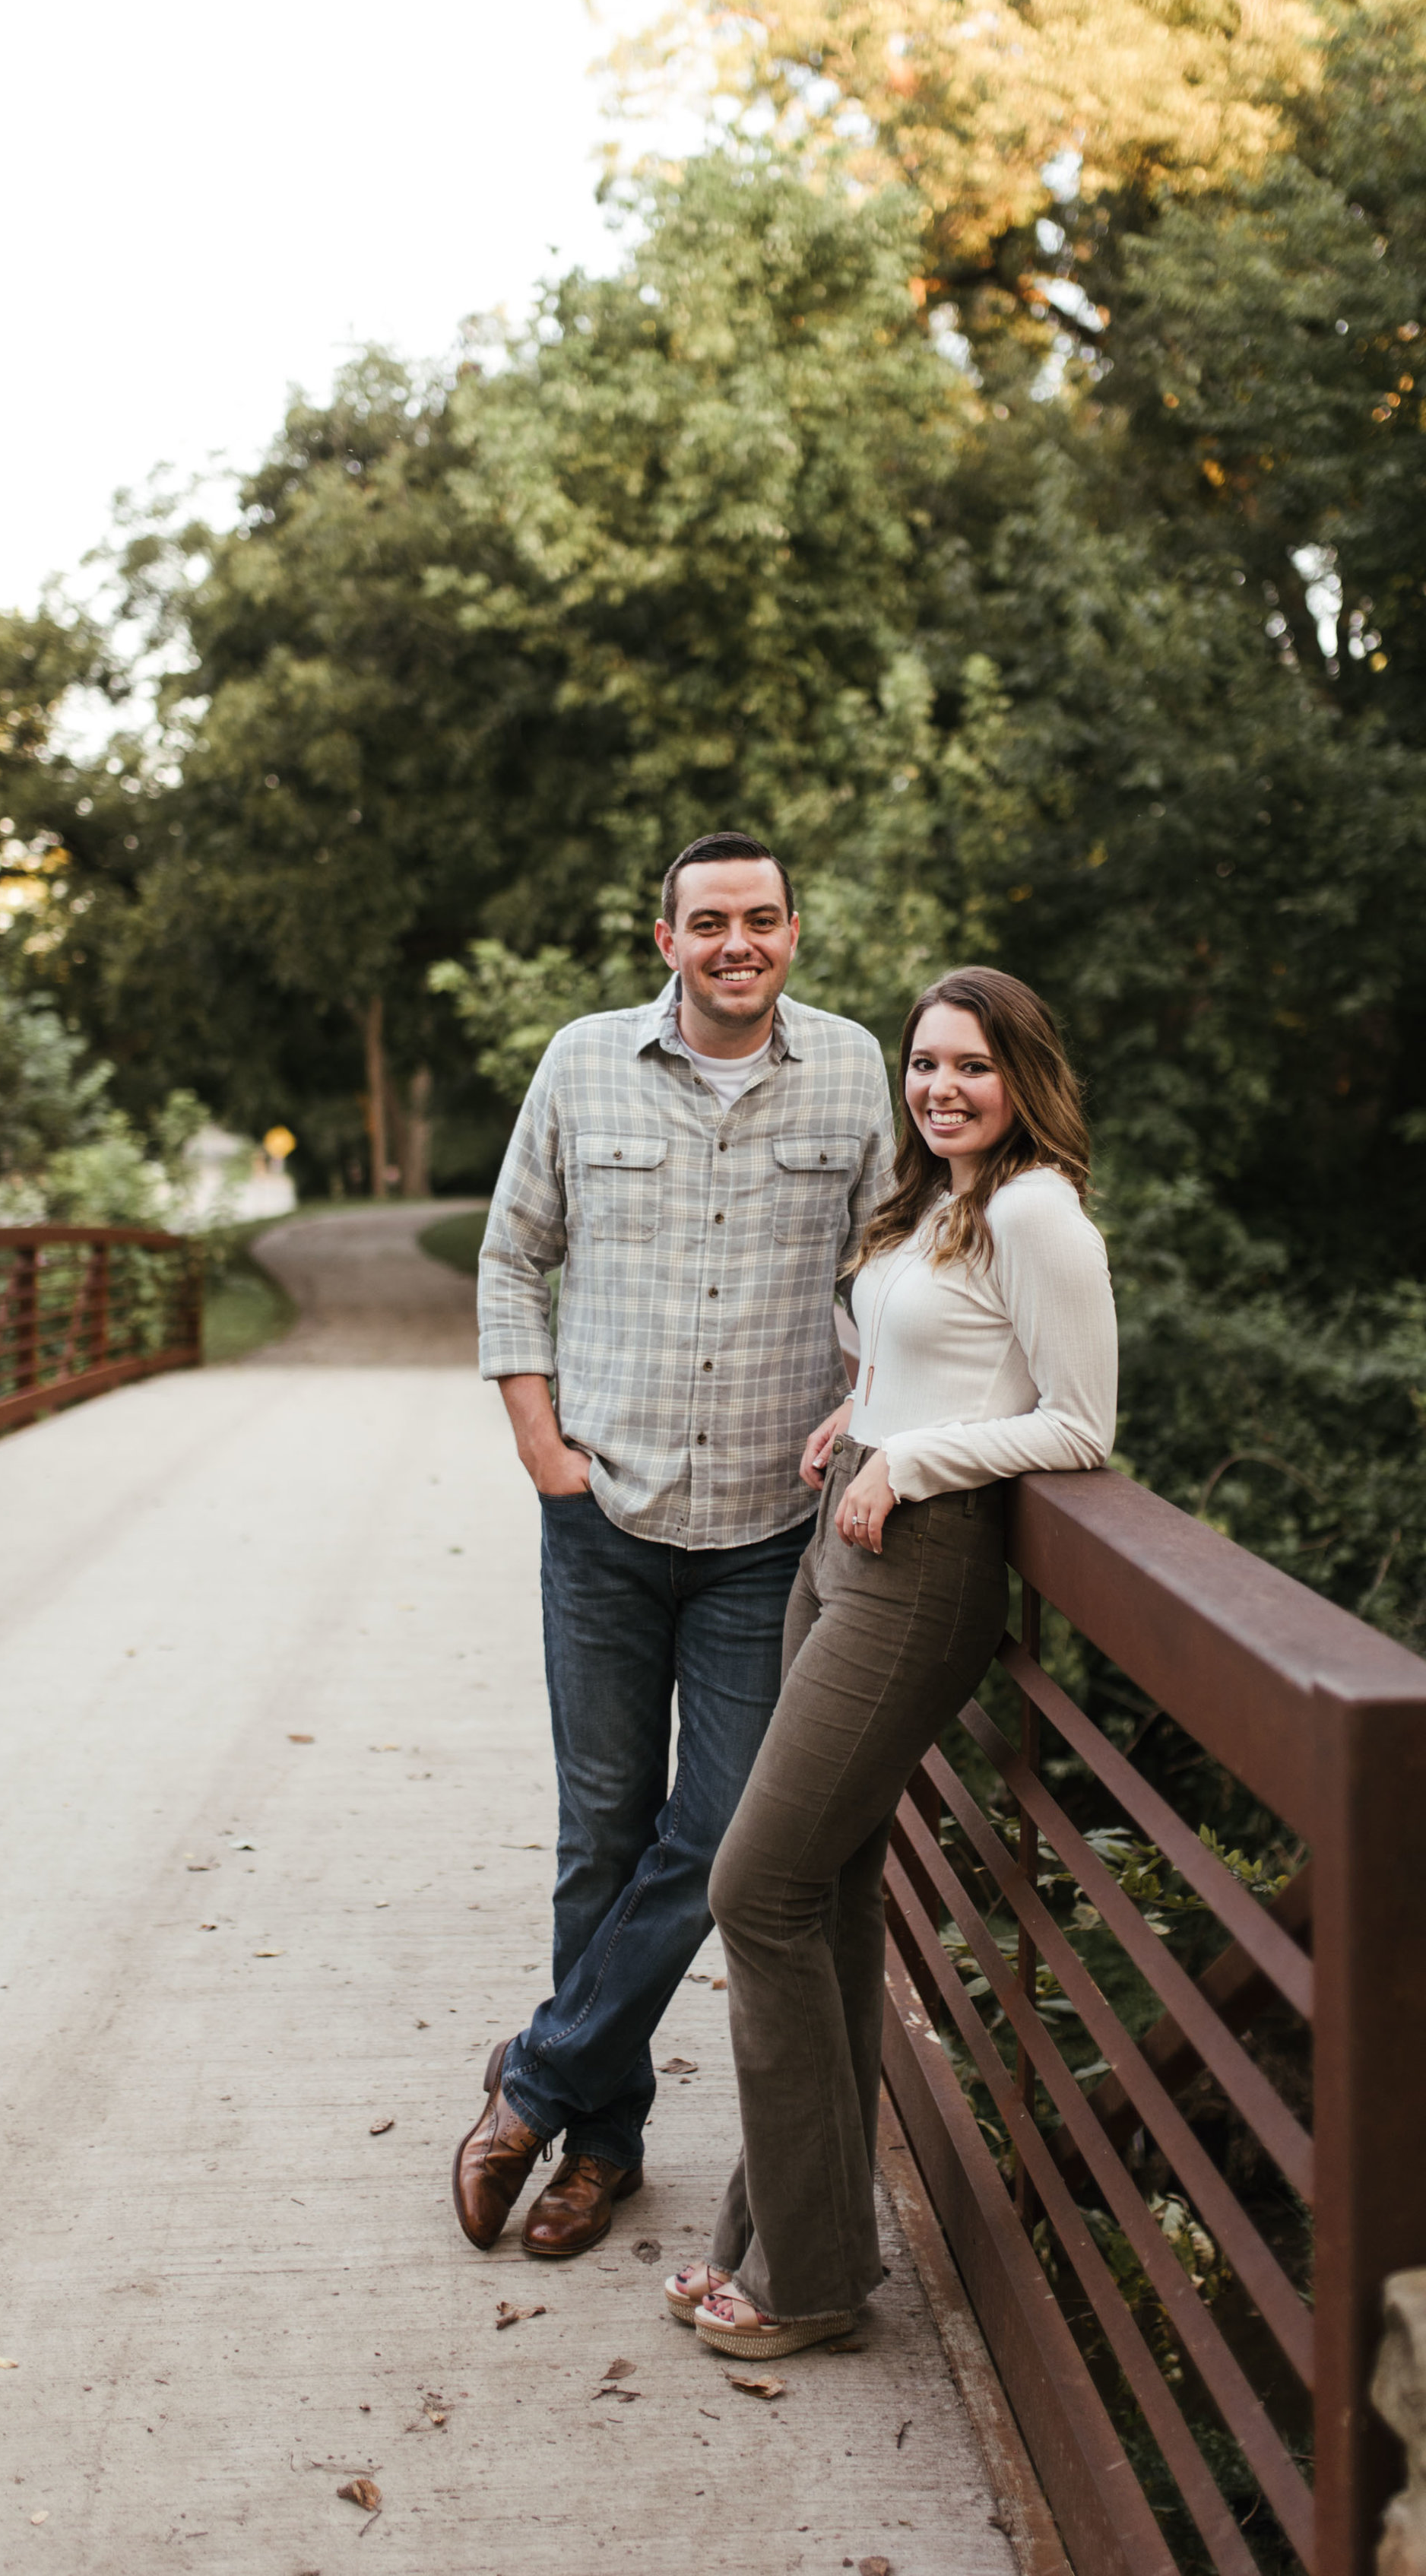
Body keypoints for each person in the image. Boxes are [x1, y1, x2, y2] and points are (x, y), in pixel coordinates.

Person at [453, 831, 894, 2260]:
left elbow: (891, 1270)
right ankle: (602, 2147)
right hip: (605, 1511)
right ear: (667, 941)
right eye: (708, 923)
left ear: (795, 932)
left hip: (770, 1525)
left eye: (760, 919)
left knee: (717, 1833)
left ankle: (534, 2074)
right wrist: (542, 1450)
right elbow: (513, 1251)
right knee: (600, 1827)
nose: (736, 944)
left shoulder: (852, 1069)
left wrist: (886, 1418)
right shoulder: (582, 1062)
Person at [674, 965, 1117, 2358]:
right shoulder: (938, 1199)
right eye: (925, 1064)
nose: (939, 1088)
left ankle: (801, 2279)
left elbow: (1080, 1424)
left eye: (971, 1067)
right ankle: (792, 2246)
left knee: (757, 1884)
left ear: (1022, 1075)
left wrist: (916, 1452)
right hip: (843, 1531)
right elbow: (922, 1354)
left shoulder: (1041, 1213)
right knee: (830, 1892)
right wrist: (857, 1417)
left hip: (921, 1568)